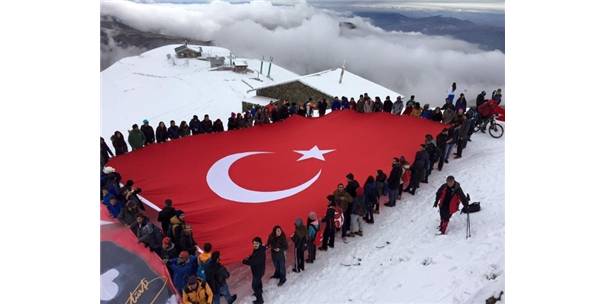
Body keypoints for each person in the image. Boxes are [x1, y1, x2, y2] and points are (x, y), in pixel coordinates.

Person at [242, 237, 266, 304]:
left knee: (254, 286)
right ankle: (260, 291)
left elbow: (252, 262)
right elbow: (254, 256)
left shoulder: (260, 252)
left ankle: (260, 300)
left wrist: (244, 261)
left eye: (256, 243)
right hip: (259, 270)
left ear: (260, 243)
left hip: (258, 271)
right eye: (254, 243)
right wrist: (250, 257)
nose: (255, 245)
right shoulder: (258, 249)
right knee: (258, 282)